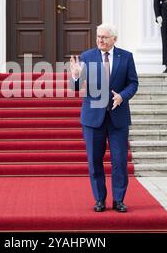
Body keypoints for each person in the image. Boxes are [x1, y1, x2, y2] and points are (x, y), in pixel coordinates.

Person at [69, 23, 139, 213]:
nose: (100, 40)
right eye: (98, 36)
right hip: (93, 118)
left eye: (104, 37)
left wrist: (122, 96)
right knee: (94, 161)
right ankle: (99, 199)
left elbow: (133, 83)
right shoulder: (87, 57)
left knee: (119, 161)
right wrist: (75, 77)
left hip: (118, 118)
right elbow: (76, 87)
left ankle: (119, 200)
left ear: (114, 39)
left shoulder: (126, 57)